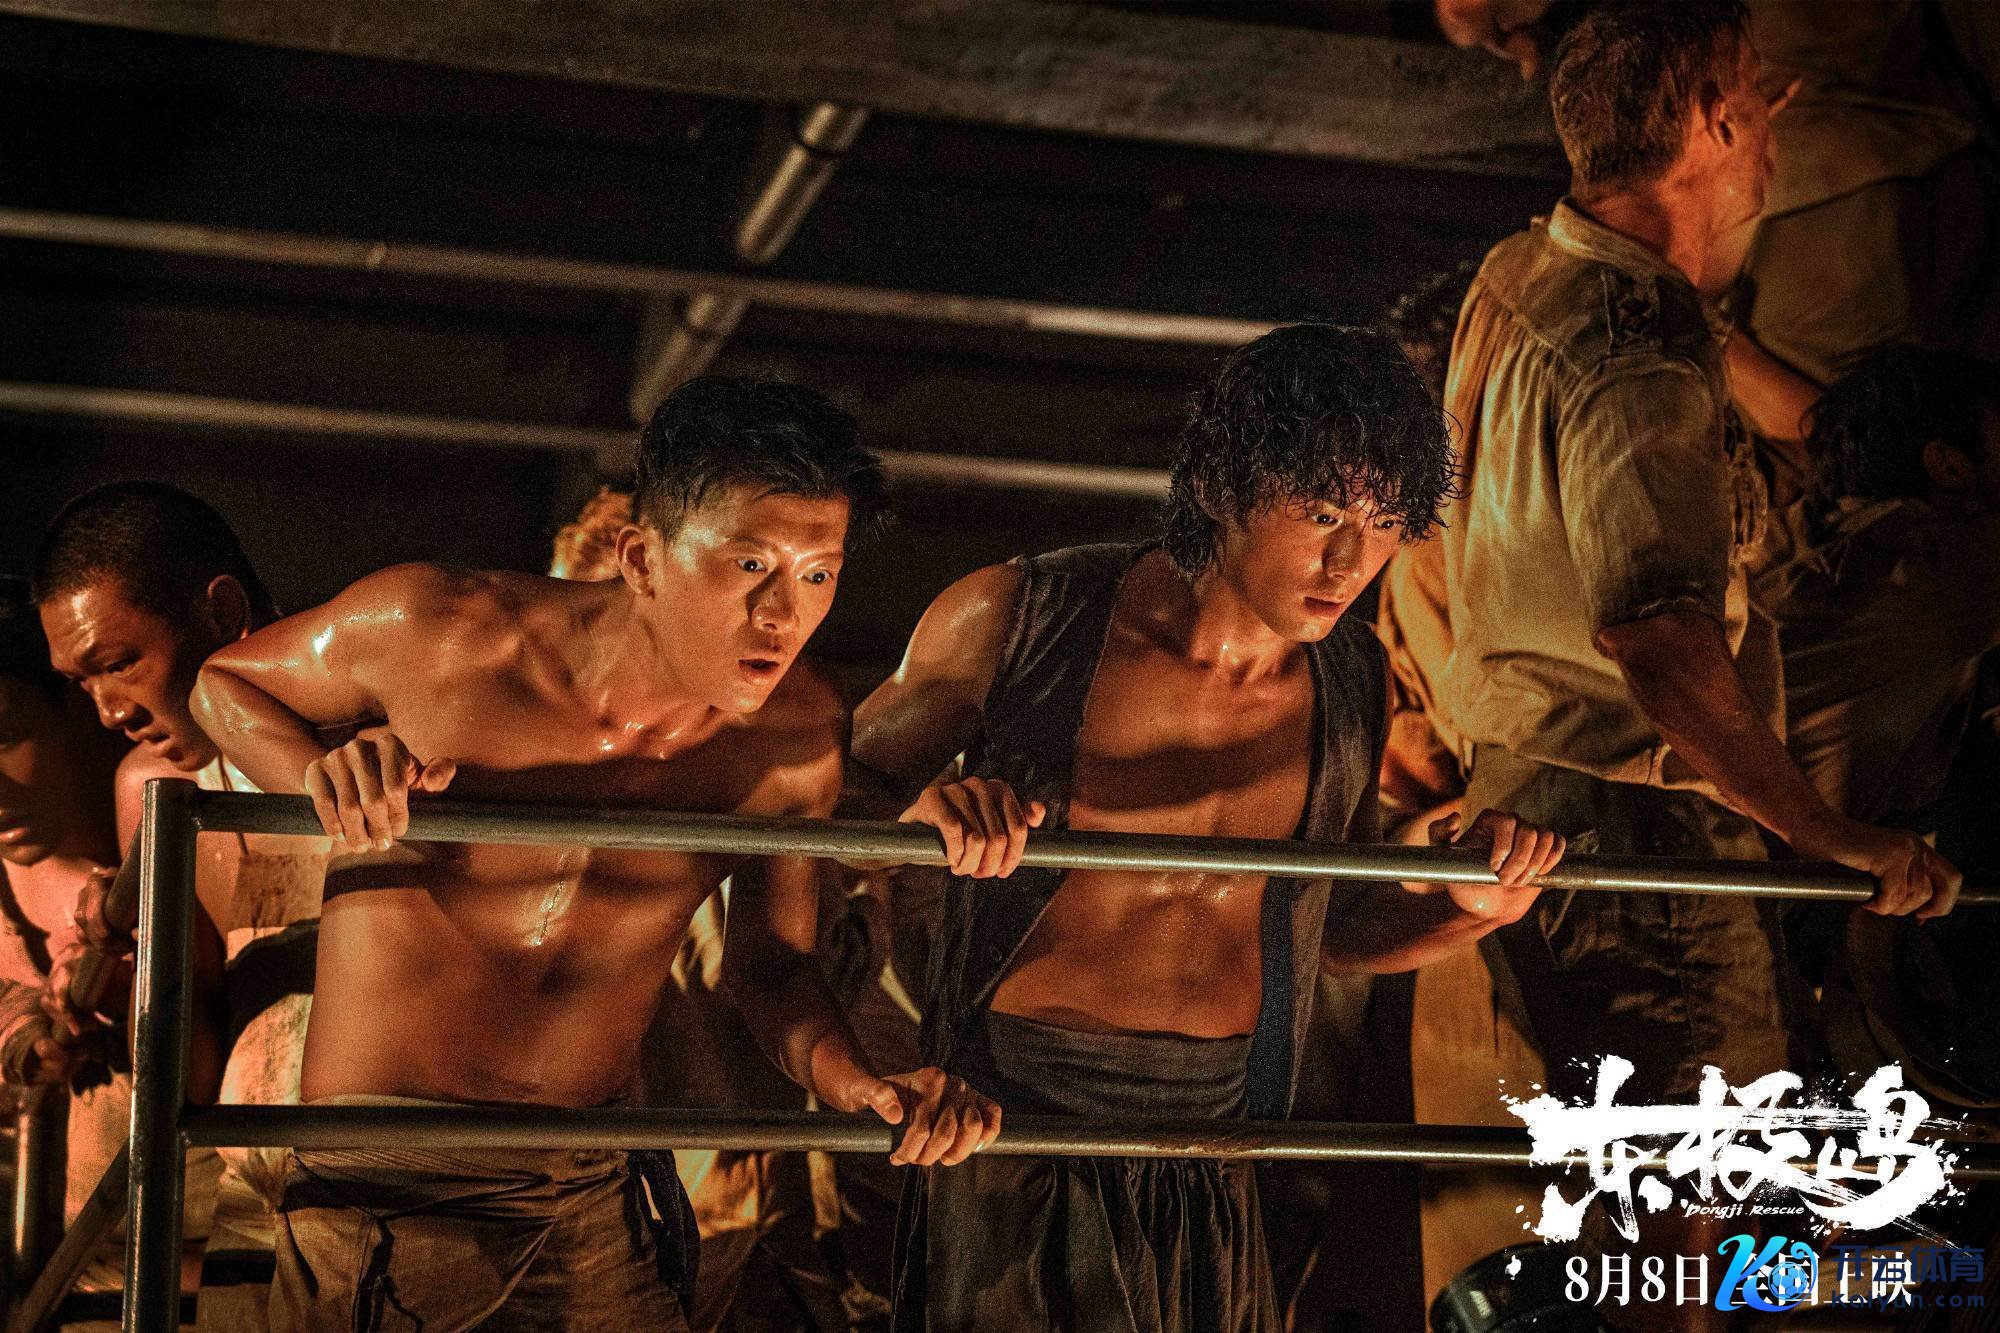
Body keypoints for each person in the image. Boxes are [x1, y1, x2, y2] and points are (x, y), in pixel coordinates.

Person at [188, 376, 994, 1332]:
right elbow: (221, 684)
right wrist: (321, 775)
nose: (784, 613)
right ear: (642, 558)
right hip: (388, 1179)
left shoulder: (796, 733)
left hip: (590, 1181)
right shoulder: (437, 631)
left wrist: (856, 1084)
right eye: (750, 565)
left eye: (818, 574)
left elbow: (773, 964)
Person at [851, 322, 1568, 1333]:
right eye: (1322, 513)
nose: (1348, 559)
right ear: (1220, 487)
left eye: (1379, 524)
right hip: (1014, 1116)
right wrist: (922, 809)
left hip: (1220, 1137)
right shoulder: (1022, 612)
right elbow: (825, 795)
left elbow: (1326, 931)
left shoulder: (1351, 678)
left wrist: (1470, 908)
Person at [1436, 6, 1960, 1325]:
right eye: (1755, 96)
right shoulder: (1638, 346)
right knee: (1679, 1246)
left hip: (1534, 802)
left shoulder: (1520, 273)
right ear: (1713, 121)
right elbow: (1657, 640)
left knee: (1648, 1227)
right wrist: (1828, 834)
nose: (1776, 120)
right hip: (1642, 829)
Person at [35, 482, 326, 1330]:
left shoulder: (371, 733)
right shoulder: (154, 787)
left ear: (223, 611)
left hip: (414, 1178)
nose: (109, 711)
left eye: (120, 662)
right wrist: (133, 965)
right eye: (83, 681)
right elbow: (189, 1074)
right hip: (253, 1186)